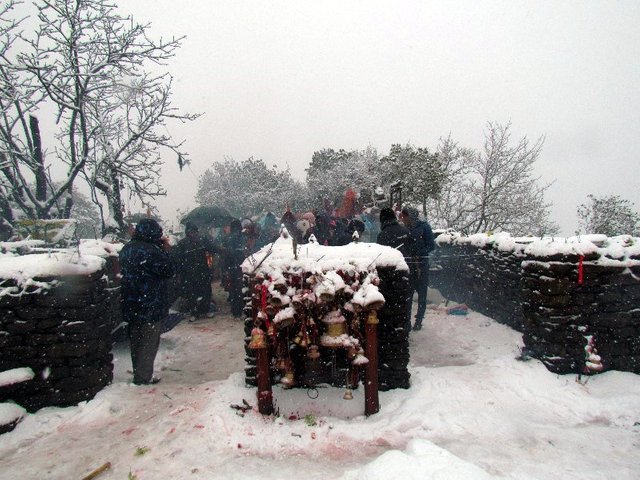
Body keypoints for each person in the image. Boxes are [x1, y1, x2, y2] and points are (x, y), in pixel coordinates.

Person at [119, 218, 176, 385]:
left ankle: (139, 373)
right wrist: (166, 251)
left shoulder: (127, 249)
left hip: (130, 302)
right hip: (150, 302)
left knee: (136, 340)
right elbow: (169, 270)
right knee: (149, 341)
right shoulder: (151, 251)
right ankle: (143, 377)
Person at [376, 207, 414, 331]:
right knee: (406, 301)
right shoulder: (405, 230)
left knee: (391, 303)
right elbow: (412, 250)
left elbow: (380, 257)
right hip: (407, 271)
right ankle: (405, 327)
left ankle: (392, 329)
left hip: (390, 276)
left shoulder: (383, 235)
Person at [172, 222, 218, 320]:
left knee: (205, 292)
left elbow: (213, 248)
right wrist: (180, 273)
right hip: (189, 274)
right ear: (187, 233)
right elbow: (178, 259)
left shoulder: (202, 240)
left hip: (202, 271)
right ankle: (194, 313)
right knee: (192, 294)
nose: (193, 234)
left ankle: (205, 310)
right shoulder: (182, 244)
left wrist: (221, 250)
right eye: (191, 232)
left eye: (194, 231)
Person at [400, 207, 436, 331]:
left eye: (405, 216)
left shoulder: (424, 227)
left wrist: (420, 253)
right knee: (408, 295)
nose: (403, 219)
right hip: (409, 266)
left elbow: (431, 245)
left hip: (421, 266)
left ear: (411, 216)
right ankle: (407, 321)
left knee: (422, 295)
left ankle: (419, 320)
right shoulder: (404, 229)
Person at [219, 218, 246, 318]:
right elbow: (245, 252)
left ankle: (235, 311)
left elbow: (225, 255)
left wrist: (225, 269)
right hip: (241, 267)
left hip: (231, 267)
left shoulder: (227, 238)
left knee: (233, 290)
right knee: (240, 289)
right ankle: (240, 310)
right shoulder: (241, 237)